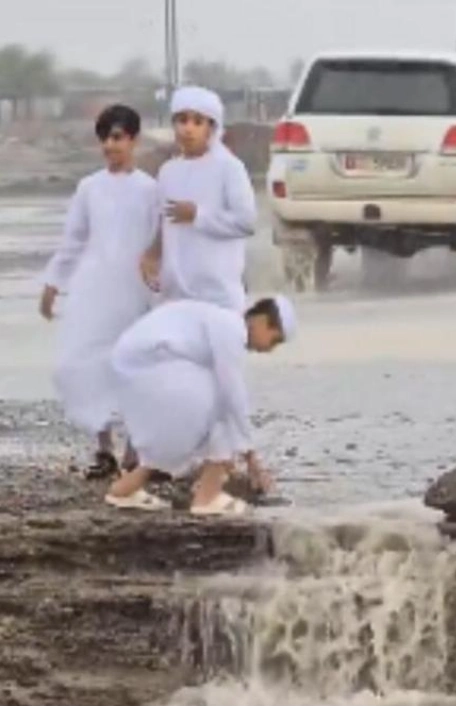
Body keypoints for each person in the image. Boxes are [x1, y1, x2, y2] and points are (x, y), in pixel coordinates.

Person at [39, 104, 159, 477]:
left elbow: (163, 243)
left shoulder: (150, 190)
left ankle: (135, 450)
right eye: (105, 138)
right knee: (83, 364)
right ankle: (104, 448)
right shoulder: (89, 188)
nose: (111, 145)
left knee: (136, 368)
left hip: (136, 293)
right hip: (96, 291)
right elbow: (74, 240)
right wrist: (53, 283)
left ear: (133, 141)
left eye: (118, 138)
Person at [103, 296, 295, 515]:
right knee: (223, 406)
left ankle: (123, 491)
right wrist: (251, 459)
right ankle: (207, 497)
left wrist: (234, 455)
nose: (269, 350)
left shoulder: (222, 323)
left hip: (140, 368)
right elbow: (232, 393)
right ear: (262, 321)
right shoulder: (231, 329)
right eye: (274, 340)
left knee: (200, 419)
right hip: (147, 367)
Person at [140, 85, 256, 313]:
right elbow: (164, 222)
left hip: (218, 297)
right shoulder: (168, 171)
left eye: (197, 122)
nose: (188, 129)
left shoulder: (229, 168)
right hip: (174, 296)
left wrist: (198, 216)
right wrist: (152, 255)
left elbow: (246, 222)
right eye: (182, 120)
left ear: (211, 127)